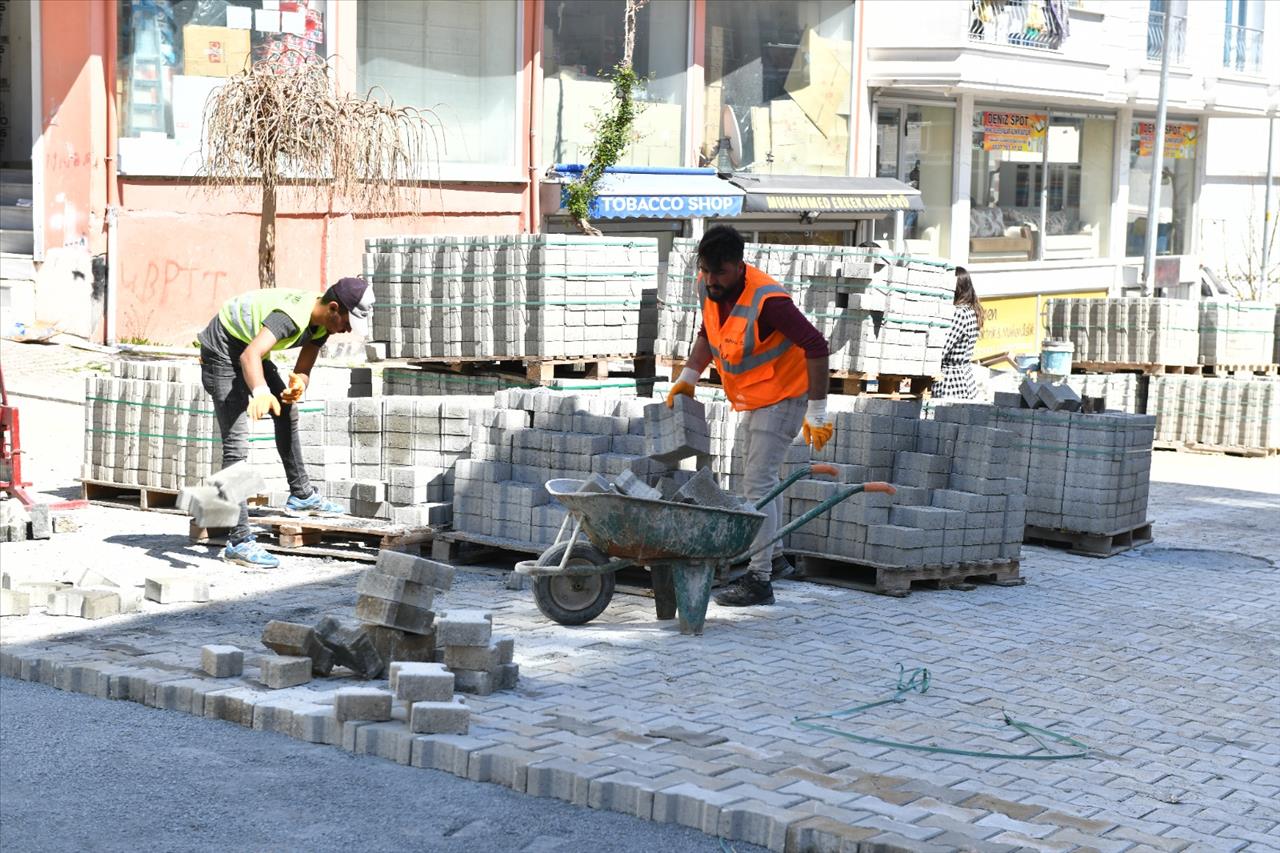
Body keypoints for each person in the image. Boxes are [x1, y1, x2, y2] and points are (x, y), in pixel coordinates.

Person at [666, 224, 833, 607]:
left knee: (756, 484)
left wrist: (818, 411)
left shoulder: (768, 300)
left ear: (740, 267)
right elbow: (708, 333)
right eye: (705, 271)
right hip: (755, 397)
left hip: (785, 396)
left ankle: (760, 579)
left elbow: (816, 345)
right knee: (760, 482)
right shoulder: (707, 286)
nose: (711, 280)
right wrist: (688, 376)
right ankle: (773, 557)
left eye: (719, 273)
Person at [197, 277, 374, 568]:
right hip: (223, 350)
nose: (345, 330)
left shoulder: (320, 325)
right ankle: (239, 542)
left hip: (246, 347)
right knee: (236, 447)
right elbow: (250, 355)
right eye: (346, 323)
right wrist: (261, 392)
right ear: (333, 308)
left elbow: (303, 368)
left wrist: (299, 385)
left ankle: (302, 495)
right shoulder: (290, 318)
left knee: (287, 411)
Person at [936, 266, 983, 400]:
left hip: (951, 383)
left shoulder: (959, 313)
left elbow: (942, 349)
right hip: (966, 379)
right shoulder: (971, 310)